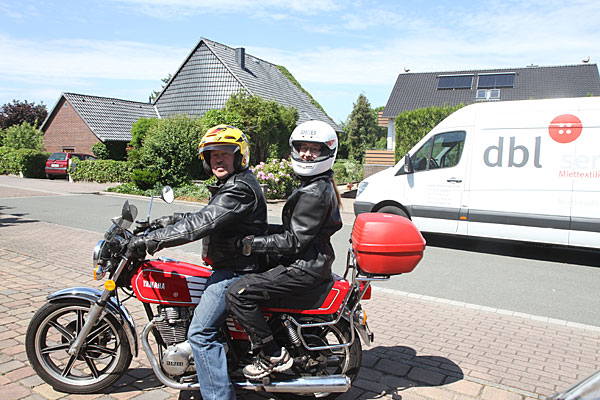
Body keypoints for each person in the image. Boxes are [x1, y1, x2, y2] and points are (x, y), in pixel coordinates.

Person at [126, 124, 268, 400]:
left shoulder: (239, 188)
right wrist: (165, 222)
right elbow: (208, 215)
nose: (218, 159)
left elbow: (202, 223)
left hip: (235, 270)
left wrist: (151, 241)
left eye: (225, 153)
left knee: (201, 334)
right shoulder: (231, 185)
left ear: (240, 156)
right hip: (231, 265)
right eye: (213, 154)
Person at [226, 120, 343, 380]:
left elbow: (293, 241)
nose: (306, 154)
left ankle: (271, 353)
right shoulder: (316, 184)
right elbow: (297, 230)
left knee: (238, 293)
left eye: (314, 149)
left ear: (327, 152)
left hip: (303, 268)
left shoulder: (315, 191)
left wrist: (249, 243)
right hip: (310, 262)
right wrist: (260, 231)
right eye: (302, 148)